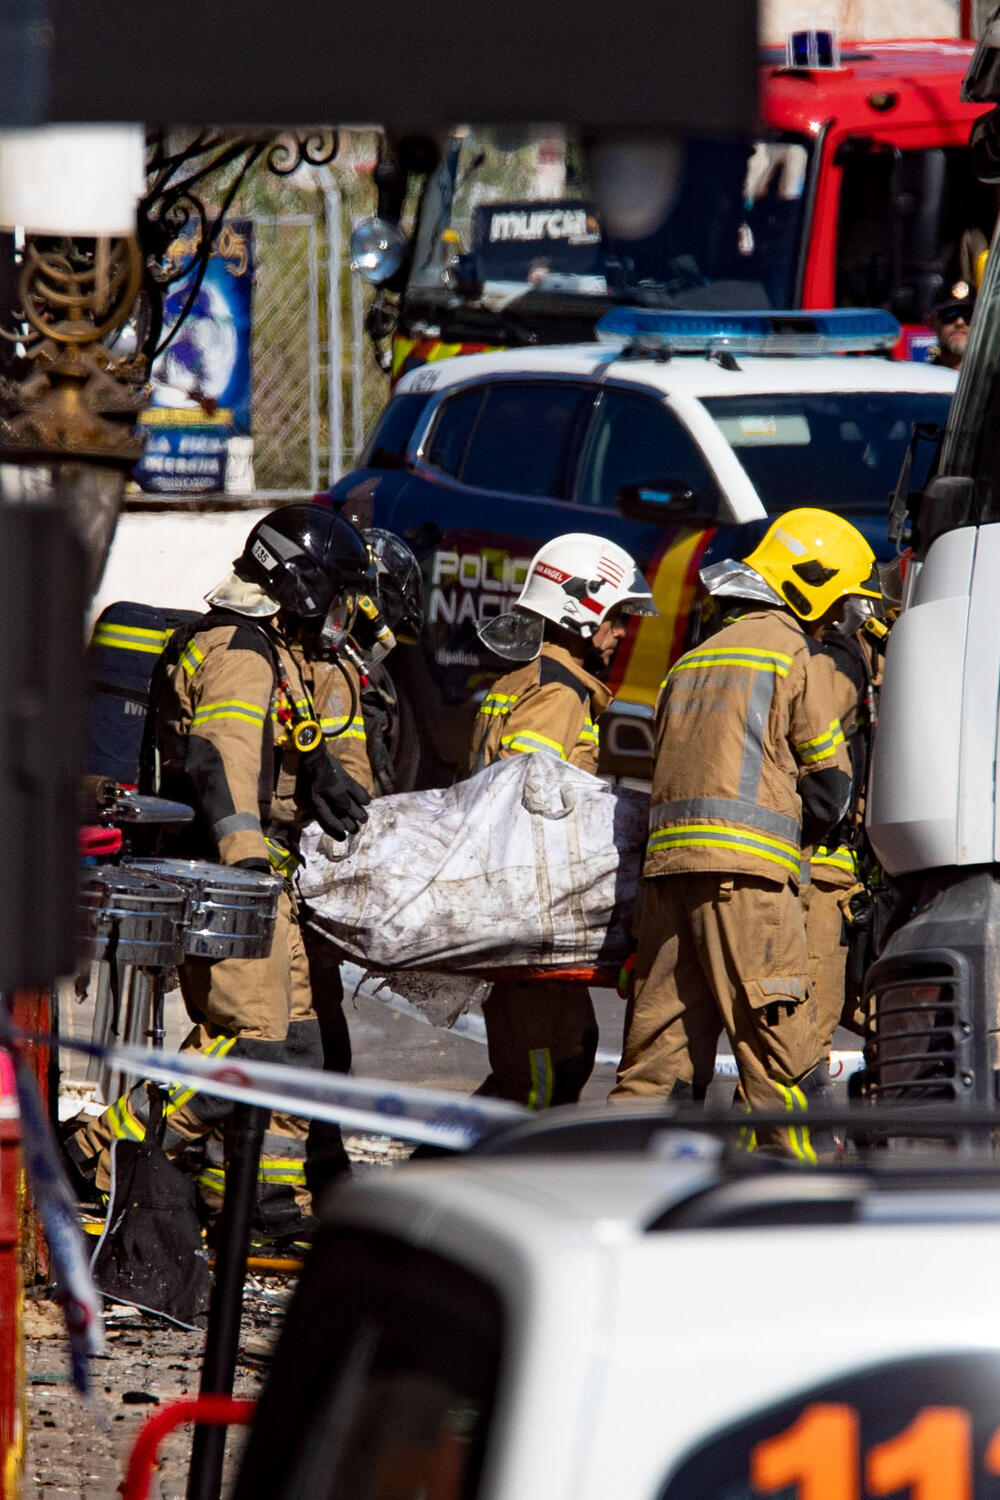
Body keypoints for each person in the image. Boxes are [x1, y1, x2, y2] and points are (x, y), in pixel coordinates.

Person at [66, 505, 374, 1241]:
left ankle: (254, 1204)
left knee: (294, 1046)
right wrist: (248, 869)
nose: (341, 614)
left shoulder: (271, 647)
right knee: (248, 1042)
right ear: (299, 584)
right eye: (334, 593)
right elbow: (219, 759)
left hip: (264, 880)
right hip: (231, 877)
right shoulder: (240, 650)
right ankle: (99, 1150)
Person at [611, 509, 880, 1159]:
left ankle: (621, 1202)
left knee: (657, 1070)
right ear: (810, 584)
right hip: (750, 888)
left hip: (668, 887)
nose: (837, 618)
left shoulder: (691, 660)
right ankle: (798, 1211)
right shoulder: (790, 652)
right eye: (839, 601)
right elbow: (831, 786)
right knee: (784, 1067)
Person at [465, 532, 659, 1107]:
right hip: (532, 911)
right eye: (616, 618)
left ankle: (439, 1174)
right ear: (582, 606)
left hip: (515, 909)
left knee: (541, 1065)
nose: (621, 633)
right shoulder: (560, 693)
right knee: (545, 1079)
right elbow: (524, 796)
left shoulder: (521, 679)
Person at [304, 526, 424, 1077]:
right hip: (312, 871)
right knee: (312, 1040)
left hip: (307, 871)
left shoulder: (335, 664)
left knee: (316, 1033)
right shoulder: (342, 674)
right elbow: (360, 778)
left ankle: (317, 1152)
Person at [928, 287, 975, 370]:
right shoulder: (923, 379)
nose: (960, 322)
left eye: (968, 314)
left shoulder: (994, 379)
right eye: (950, 314)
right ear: (932, 322)